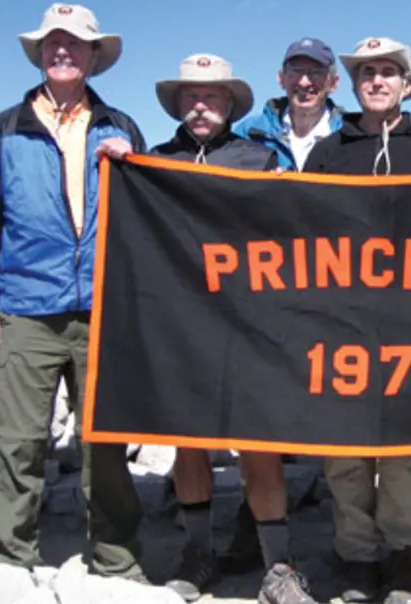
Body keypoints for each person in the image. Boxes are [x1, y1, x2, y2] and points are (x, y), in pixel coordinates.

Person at [105, 53, 312, 604]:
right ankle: (198, 554)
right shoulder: (154, 163)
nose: (201, 105)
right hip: (181, 326)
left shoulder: (260, 160)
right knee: (188, 443)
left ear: (230, 104)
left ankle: (278, 566)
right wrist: (121, 168)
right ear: (178, 104)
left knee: (258, 444)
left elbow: (291, 233)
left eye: (212, 96)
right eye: (191, 96)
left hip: (249, 326)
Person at [0, 2, 146, 581]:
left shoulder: (121, 128)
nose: (62, 51)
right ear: (40, 55)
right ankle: (13, 559)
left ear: (94, 56)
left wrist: (134, 167)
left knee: (105, 443)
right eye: (51, 44)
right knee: (17, 441)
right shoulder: (4, 129)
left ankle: (116, 560)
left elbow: (148, 217)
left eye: (74, 43)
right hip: (26, 310)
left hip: (102, 311)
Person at [302, 37, 411, 604]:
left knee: (407, 450)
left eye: (388, 72)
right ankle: (355, 556)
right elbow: (299, 227)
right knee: (344, 451)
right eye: (366, 72)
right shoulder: (329, 150)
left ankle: (407, 553)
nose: (376, 81)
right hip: (342, 321)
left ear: (406, 84)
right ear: (353, 84)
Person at [235, 37, 411, 172]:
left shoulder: (353, 134)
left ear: (334, 83)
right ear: (281, 79)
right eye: (296, 71)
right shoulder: (247, 133)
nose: (304, 82)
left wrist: (407, 122)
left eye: (316, 72)